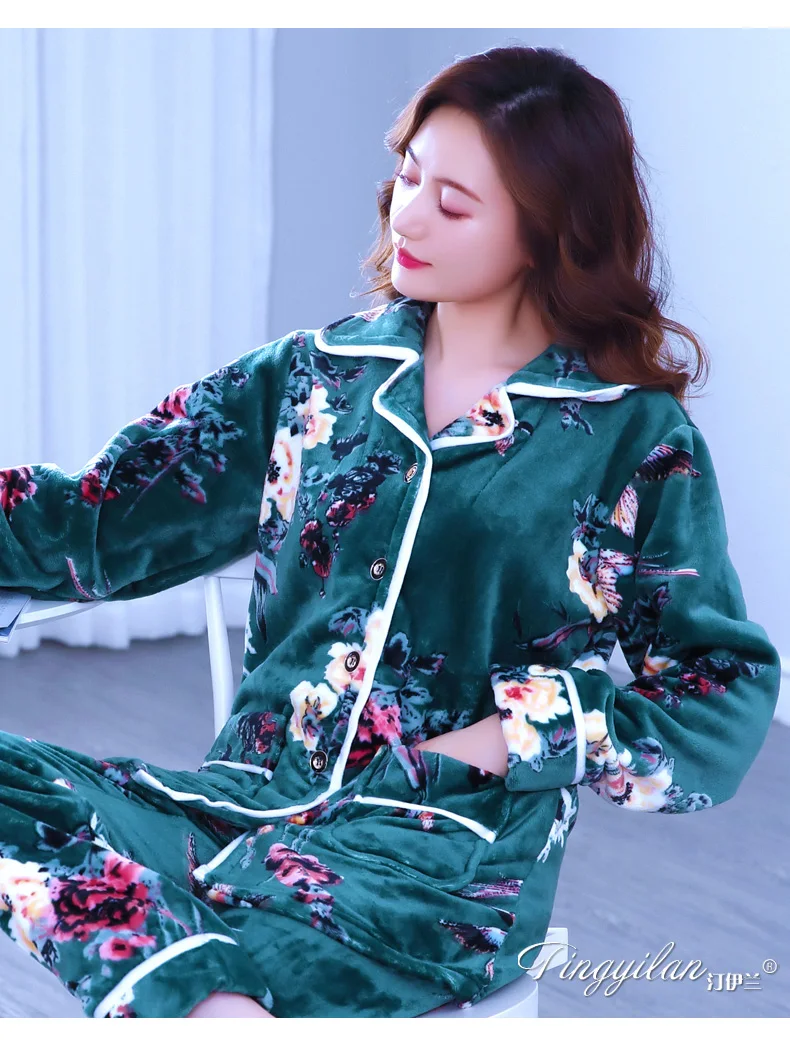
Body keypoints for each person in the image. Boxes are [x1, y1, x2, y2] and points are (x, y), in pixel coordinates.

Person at [0, 44, 781, 1020]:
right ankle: (203, 993)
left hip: (435, 861)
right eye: (409, 176)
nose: (406, 216)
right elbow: (99, 517)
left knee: (221, 947)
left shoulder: (632, 439)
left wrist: (518, 734)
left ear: (548, 230)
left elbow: (722, 687)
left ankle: (193, 989)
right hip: (240, 801)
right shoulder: (316, 375)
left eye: (453, 203)